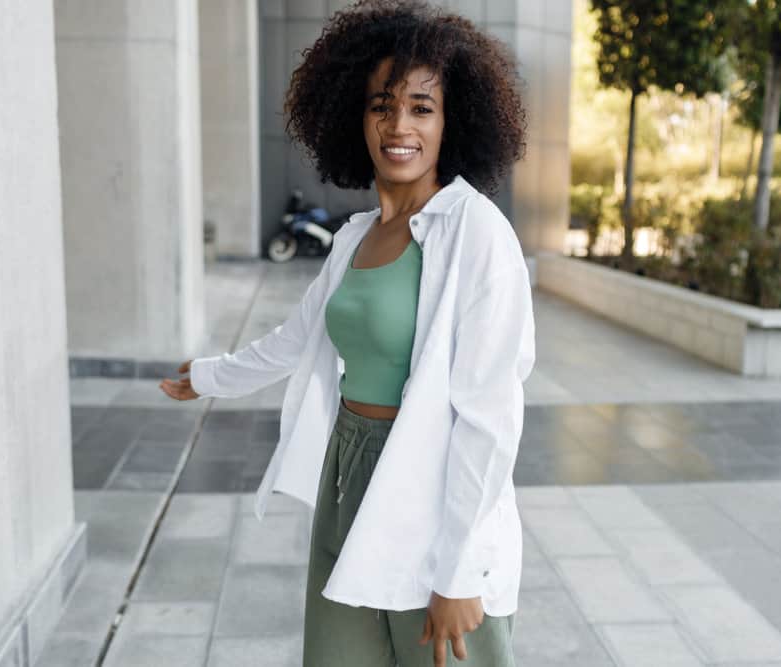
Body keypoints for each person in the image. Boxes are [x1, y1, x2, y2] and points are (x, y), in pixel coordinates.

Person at [159, 1, 534, 665]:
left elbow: (489, 416)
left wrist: (460, 568)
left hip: (429, 480)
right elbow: (295, 338)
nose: (398, 126)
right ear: (353, 115)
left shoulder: (477, 235)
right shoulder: (356, 236)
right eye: (380, 105)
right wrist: (208, 373)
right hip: (347, 477)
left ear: (454, 121)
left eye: (422, 107)